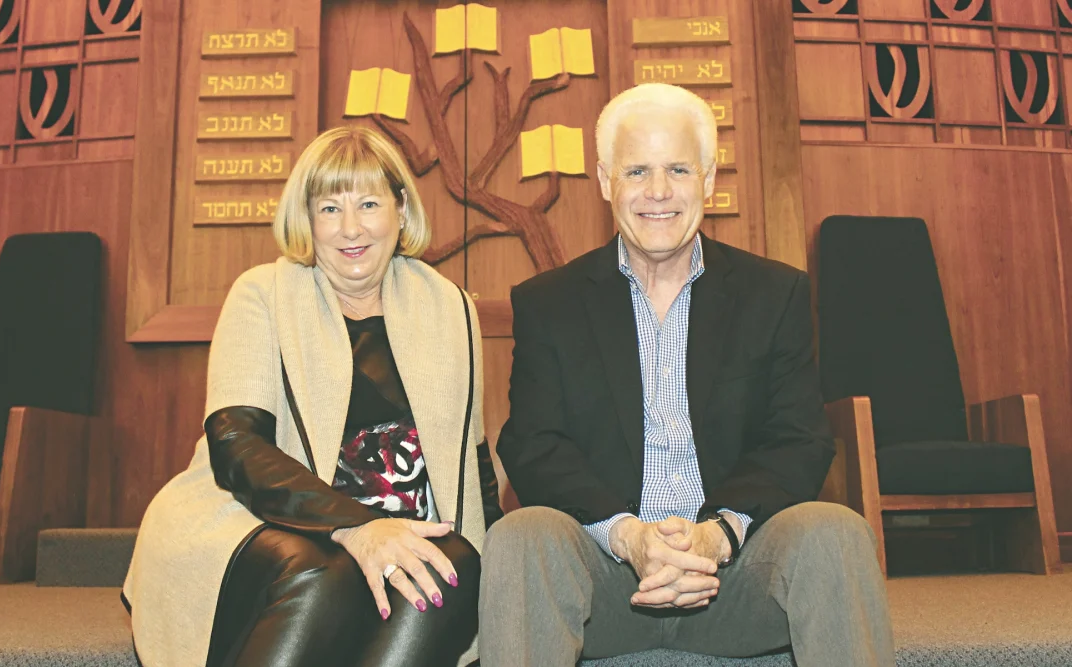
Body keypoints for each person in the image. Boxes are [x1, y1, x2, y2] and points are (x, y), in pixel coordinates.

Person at [479, 83, 894, 666]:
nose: (658, 192)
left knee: (835, 531)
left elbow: (798, 439)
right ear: (604, 182)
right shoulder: (551, 303)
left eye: (677, 168)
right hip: (604, 584)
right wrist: (628, 536)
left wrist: (715, 537)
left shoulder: (774, 295)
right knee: (519, 538)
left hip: (735, 579)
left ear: (708, 178)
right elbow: (534, 443)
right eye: (636, 172)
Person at [123, 126, 502, 667]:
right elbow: (236, 446)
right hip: (266, 517)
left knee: (449, 567)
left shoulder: (450, 307)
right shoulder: (263, 294)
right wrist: (357, 526)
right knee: (324, 571)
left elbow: (471, 454)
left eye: (368, 203)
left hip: (407, 525)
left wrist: (496, 560)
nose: (350, 228)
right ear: (307, 218)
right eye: (329, 208)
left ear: (400, 208)